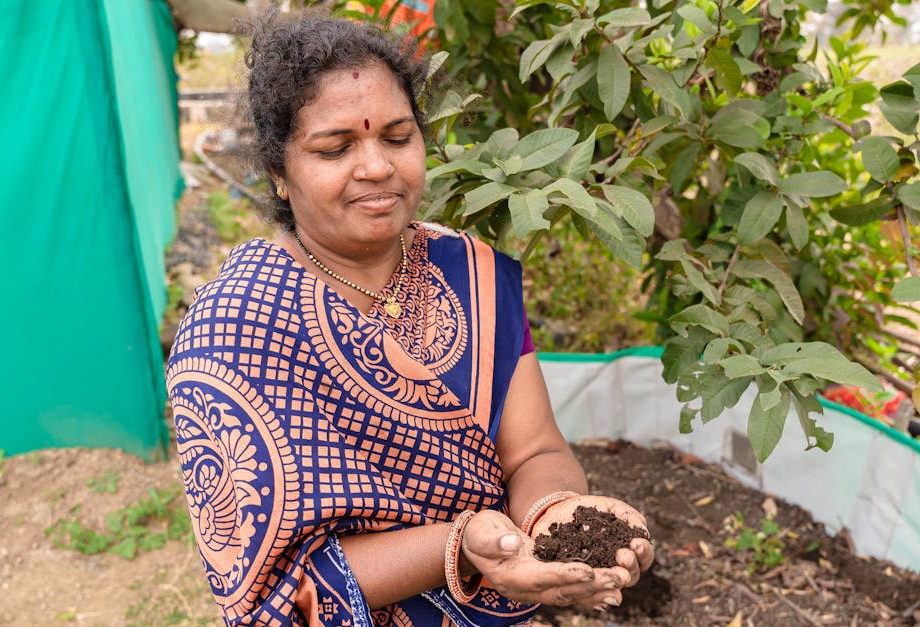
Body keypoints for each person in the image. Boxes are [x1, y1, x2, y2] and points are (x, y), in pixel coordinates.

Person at [166, 12, 654, 626]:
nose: (377, 167)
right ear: (278, 174)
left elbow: (533, 450)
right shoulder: (233, 329)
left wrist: (554, 516)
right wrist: (458, 546)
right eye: (335, 148)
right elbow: (278, 589)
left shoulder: (472, 276)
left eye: (397, 138)